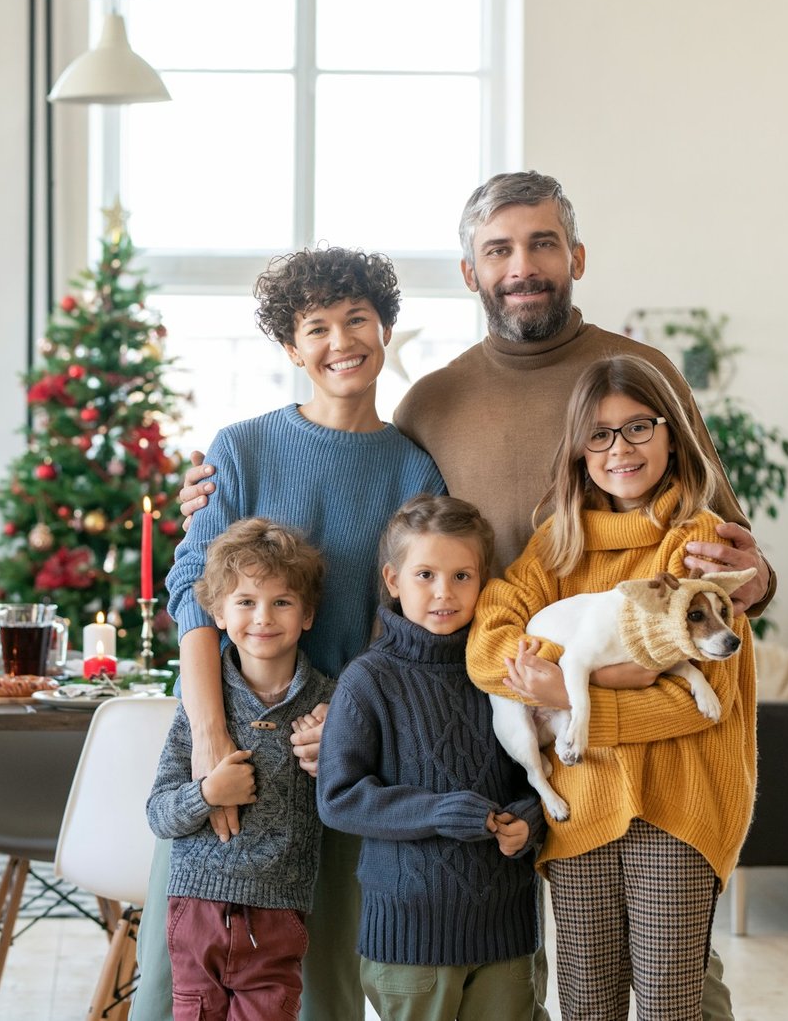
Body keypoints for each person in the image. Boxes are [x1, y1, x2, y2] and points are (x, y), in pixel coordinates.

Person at [177, 171, 773, 1020]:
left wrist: (753, 577)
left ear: (575, 255)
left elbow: (730, 549)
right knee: (557, 970)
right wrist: (205, 500)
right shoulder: (433, 402)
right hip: (485, 710)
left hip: (644, 747)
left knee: (675, 982)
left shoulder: (641, 374)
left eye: (540, 244)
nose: (521, 266)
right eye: (499, 249)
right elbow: (393, 543)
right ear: (470, 273)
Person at [133, 246, 449, 1021]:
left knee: (321, 989)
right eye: (317, 326)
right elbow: (193, 593)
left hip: (337, 753)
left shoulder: (416, 474)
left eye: (357, 319)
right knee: (170, 986)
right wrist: (209, 735)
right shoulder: (241, 448)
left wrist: (344, 722)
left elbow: (406, 624)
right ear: (290, 347)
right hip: (227, 749)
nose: (341, 340)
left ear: (385, 327)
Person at [468, 354, 757, 1020]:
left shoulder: (699, 544)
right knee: (586, 1006)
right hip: (580, 807)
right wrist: (564, 671)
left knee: (668, 1006)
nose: (618, 448)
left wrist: (571, 691)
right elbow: (489, 642)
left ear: (672, 435)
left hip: (677, 808)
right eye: (599, 434)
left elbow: (699, 704)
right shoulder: (557, 544)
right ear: (578, 450)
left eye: (637, 427)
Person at [319, 494, 545, 1020]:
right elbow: (340, 798)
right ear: (394, 580)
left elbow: (539, 772)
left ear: (484, 579)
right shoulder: (369, 680)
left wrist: (529, 820)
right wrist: (441, 812)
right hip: (409, 940)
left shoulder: (504, 670)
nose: (444, 592)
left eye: (462, 576)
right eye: (425, 575)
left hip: (507, 931)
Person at [147, 518, 337, 1020]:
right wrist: (207, 792)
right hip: (195, 915)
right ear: (217, 610)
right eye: (246, 602)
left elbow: (350, 801)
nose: (263, 617)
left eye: (281, 601)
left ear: (308, 613)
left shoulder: (330, 704)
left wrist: (331, 762)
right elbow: (158, 815)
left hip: (278, 918)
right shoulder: (199, 702)